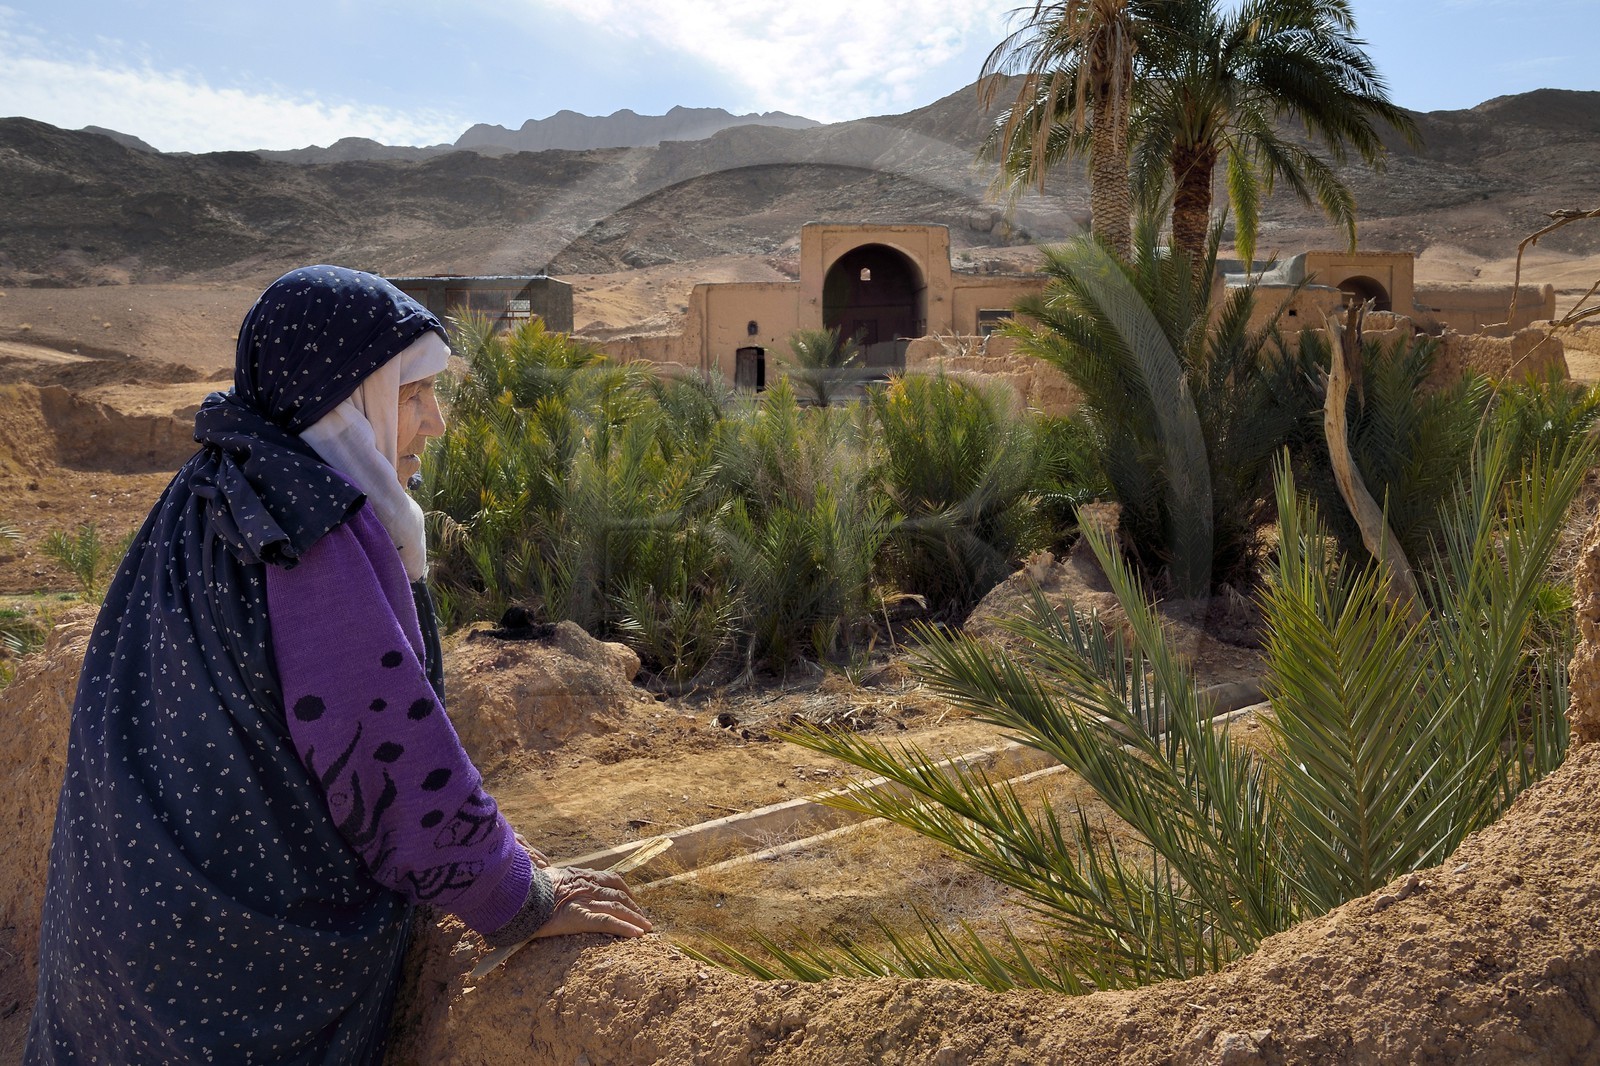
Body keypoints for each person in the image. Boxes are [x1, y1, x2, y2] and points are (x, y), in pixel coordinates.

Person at [26, 266, 650, 1064]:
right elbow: (385, 754)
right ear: (342, 403)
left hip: (125, 934)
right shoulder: (310, 534)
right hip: (232, 975)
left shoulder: (214, 482)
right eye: (413, 396)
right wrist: (516, 894)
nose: (436, 424)